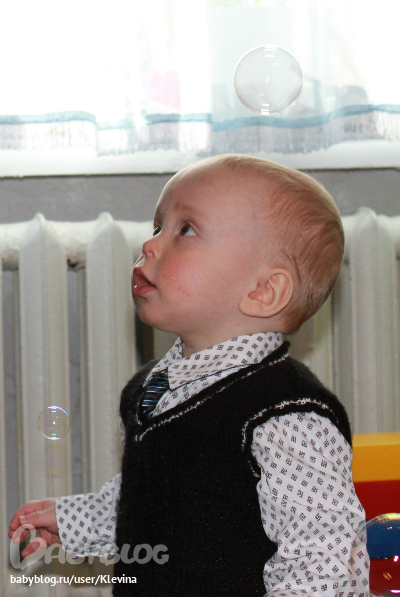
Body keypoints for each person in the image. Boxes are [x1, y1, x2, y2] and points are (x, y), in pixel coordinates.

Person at [9, 155, 369, 596]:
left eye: (186, 230)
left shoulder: (286, 416)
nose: (150, 245)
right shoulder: (154, 389)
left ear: (263, 291)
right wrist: (76, 521)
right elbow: (158, 498)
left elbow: (323, 556)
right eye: (158, 226)